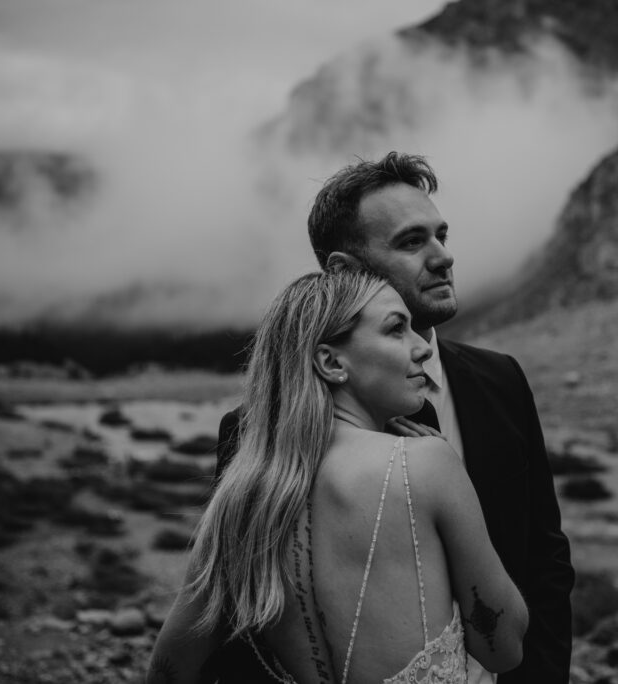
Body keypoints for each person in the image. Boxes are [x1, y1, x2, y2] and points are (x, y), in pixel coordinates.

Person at [215, 152, 574, 683]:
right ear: (344, 271)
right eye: (411, 242)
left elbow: (544, 558)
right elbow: (233, 618)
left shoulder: (500, 382)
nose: (443, 257)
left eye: (441, 236)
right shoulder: (255, 429)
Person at [148, 269, 528, 683]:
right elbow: (503, 647)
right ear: (330, 362)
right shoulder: (426, 465)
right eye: (397, 329)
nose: (422, 348)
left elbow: (169, 669)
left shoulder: (240, 499)